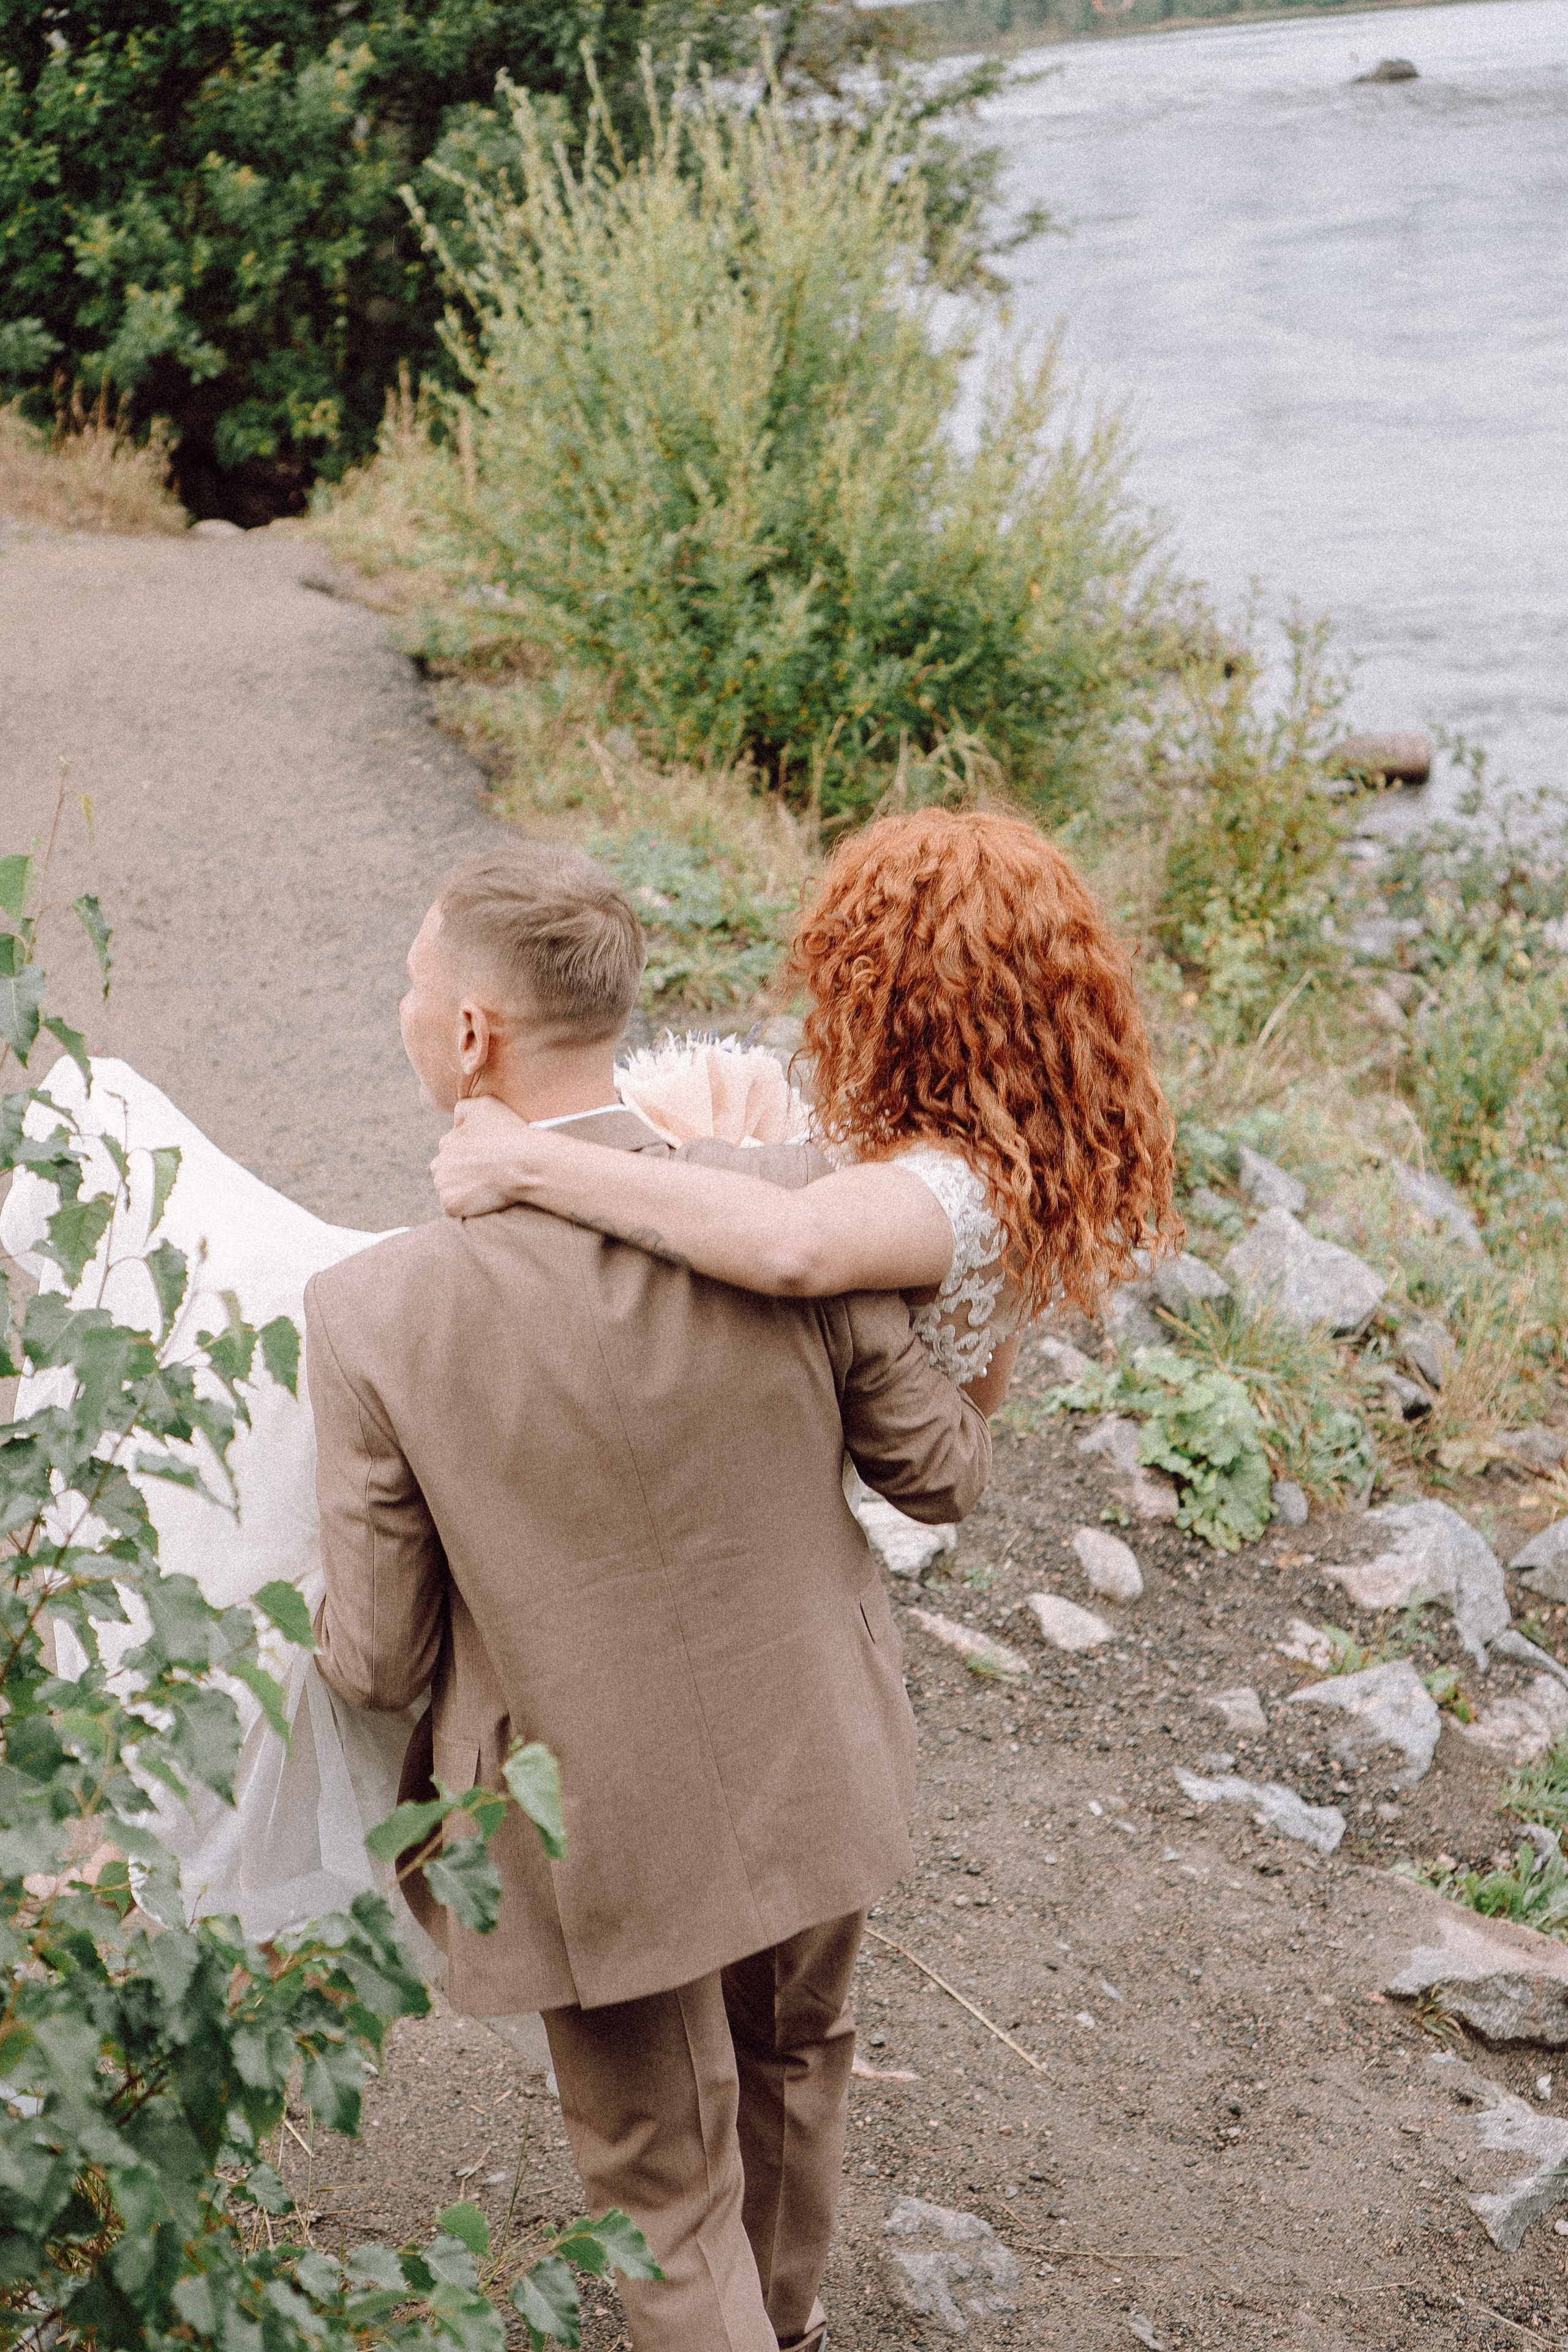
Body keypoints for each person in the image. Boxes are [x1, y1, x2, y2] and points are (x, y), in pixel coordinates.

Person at [303, 842, 994, 2352]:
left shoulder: (371, 1313)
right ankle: (788, 2325)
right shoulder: (794, 1198)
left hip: (589, 1821)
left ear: (474, 1033)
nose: (405, 1012)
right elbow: (936, 1473)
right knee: (797, 2052)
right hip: (812, 1747)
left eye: (413, 988)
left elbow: (375, 1655)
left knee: (658, 2189)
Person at [430, 809, 1178, 1418]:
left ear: (904, 1007)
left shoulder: (951, 1192)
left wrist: (524, 1158)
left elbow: (795, 1245)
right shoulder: (1013, 1173)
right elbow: (974, 1400)